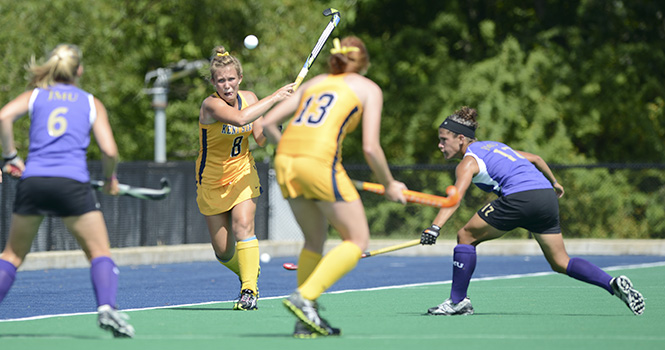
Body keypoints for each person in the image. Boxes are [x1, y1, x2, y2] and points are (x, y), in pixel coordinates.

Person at [420, 106, 645, 316]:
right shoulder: (496, 146)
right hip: (546, 197)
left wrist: (434, 228)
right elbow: (536, 159)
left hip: (520, 198)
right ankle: (612, 284)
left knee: (465, 236)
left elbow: (455, 199)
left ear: (460, 139)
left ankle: (458, 302)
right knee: (560, 261)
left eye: (443, 140)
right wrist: (555, 183)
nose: (440, 145)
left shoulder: (467, 162)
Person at [262, 36, 408, 338]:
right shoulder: (369, 89)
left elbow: (265, 124)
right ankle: (304, 297)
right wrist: (390, 184)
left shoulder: (315, 82)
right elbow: (370, 148)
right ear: (364, 63)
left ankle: (305, 320)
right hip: (320, 162)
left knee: (313, 240)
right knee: (357, 239)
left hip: (286, 161)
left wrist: (292, 151)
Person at [0, 44, 135, 337]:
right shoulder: (90, 102)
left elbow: (3, 117)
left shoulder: (35, 96)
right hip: (72, 184)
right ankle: (107, 308)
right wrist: (110, 179)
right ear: (80, 70)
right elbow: (110, 150)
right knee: (99, 252)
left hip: (33, 182)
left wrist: (11, 157)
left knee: (11, 256)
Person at [195, 46, 294, 311]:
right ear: (214, 83)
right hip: (211, 180)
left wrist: (279, 117)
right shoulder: (210, 104)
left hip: (242, 173)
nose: (227, 86)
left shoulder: (250, 98)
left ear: (240, 78)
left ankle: (248, 289)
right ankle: (249, 271)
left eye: (231, 79)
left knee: (243, 227)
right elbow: (240, 119)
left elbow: (260, 138)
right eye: (221, 80)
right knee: (224, 252)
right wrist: (274, 97)